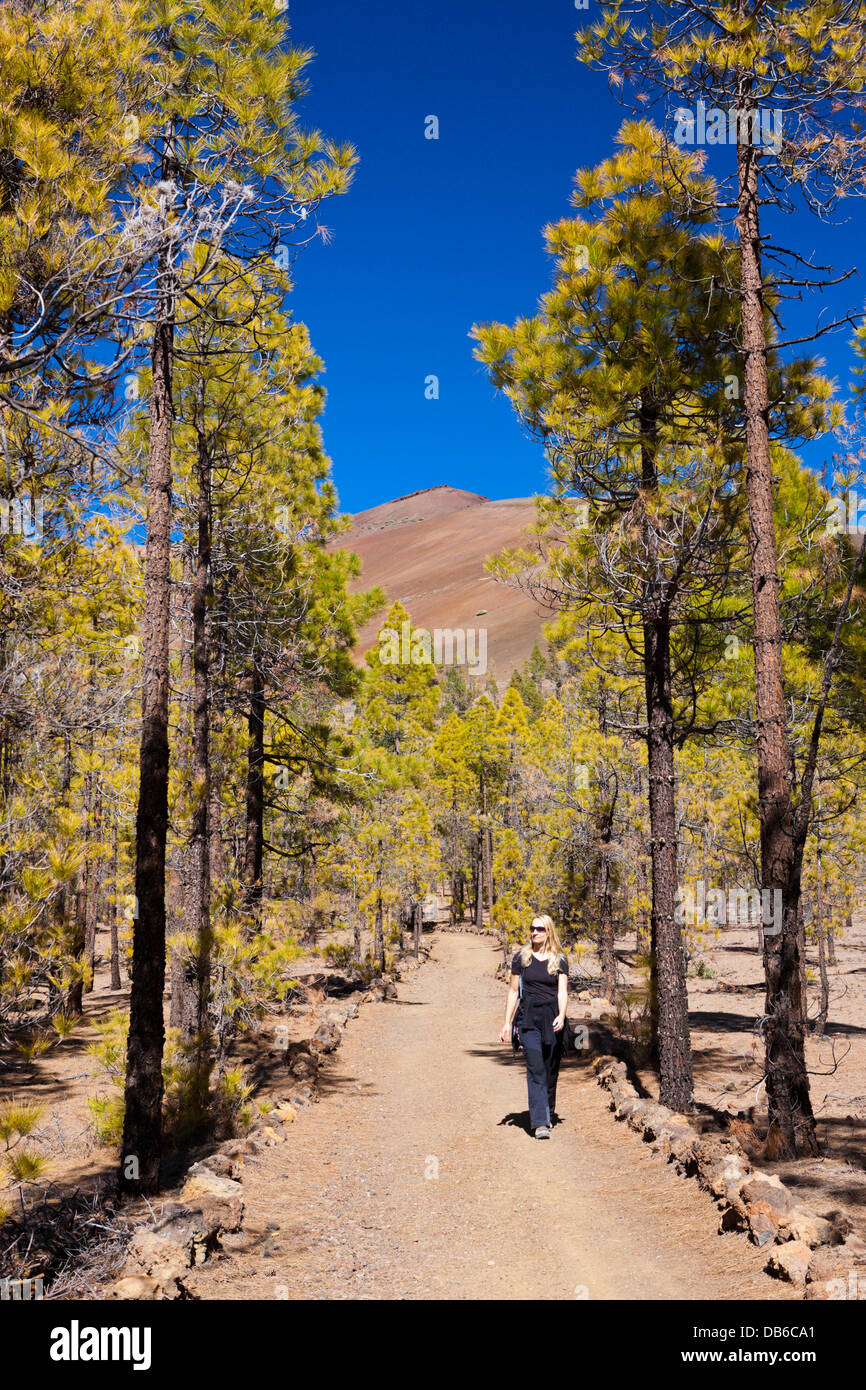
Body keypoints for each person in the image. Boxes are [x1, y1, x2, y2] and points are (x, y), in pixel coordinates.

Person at [498, 914, 568, 1139]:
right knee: (536, 1067)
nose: (534, 932)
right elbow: (512, 991)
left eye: (539, 929)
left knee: (549, 1069)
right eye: (532, 929)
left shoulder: (559, 959)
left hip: (552, 1017)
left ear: (548, 931)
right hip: (527, 1018)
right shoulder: (522, 958)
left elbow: (563, 992)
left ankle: (546, 1110)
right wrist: (507, 1023)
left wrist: (562, 1016)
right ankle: (540, 1123)